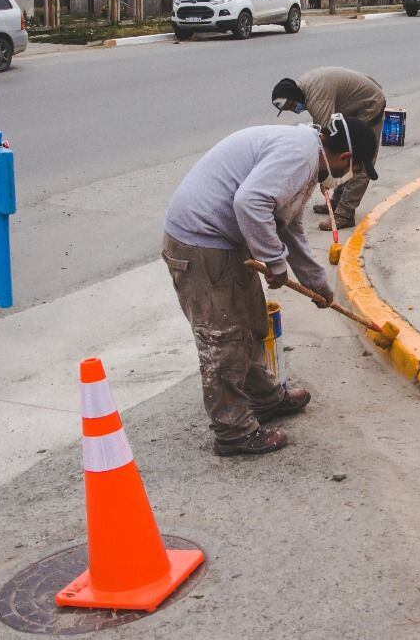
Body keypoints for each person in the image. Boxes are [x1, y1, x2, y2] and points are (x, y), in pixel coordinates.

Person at [162, 115, 380, 456]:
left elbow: (287, 224)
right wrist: (274, 262)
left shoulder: (307, 155)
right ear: (346, 159)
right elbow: (249, 203)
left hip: (226, 242)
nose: (349, 174)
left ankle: (264, 399)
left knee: (252, 322)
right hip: (200, 243)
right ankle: (233, 431)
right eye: (355, 168)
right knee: (225, 338)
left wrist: (316, 282)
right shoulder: (300, 156)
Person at [271, 67, 387, 230]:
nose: (294, 110)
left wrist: (323, 176)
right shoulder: (304, 87)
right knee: (341, 155)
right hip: (354, 106)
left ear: (295, 96)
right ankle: (336, 202)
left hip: (369, 106)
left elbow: (324, 143)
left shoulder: (317, 98)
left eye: (292, 105)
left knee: (358, 160)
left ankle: (344, 214)